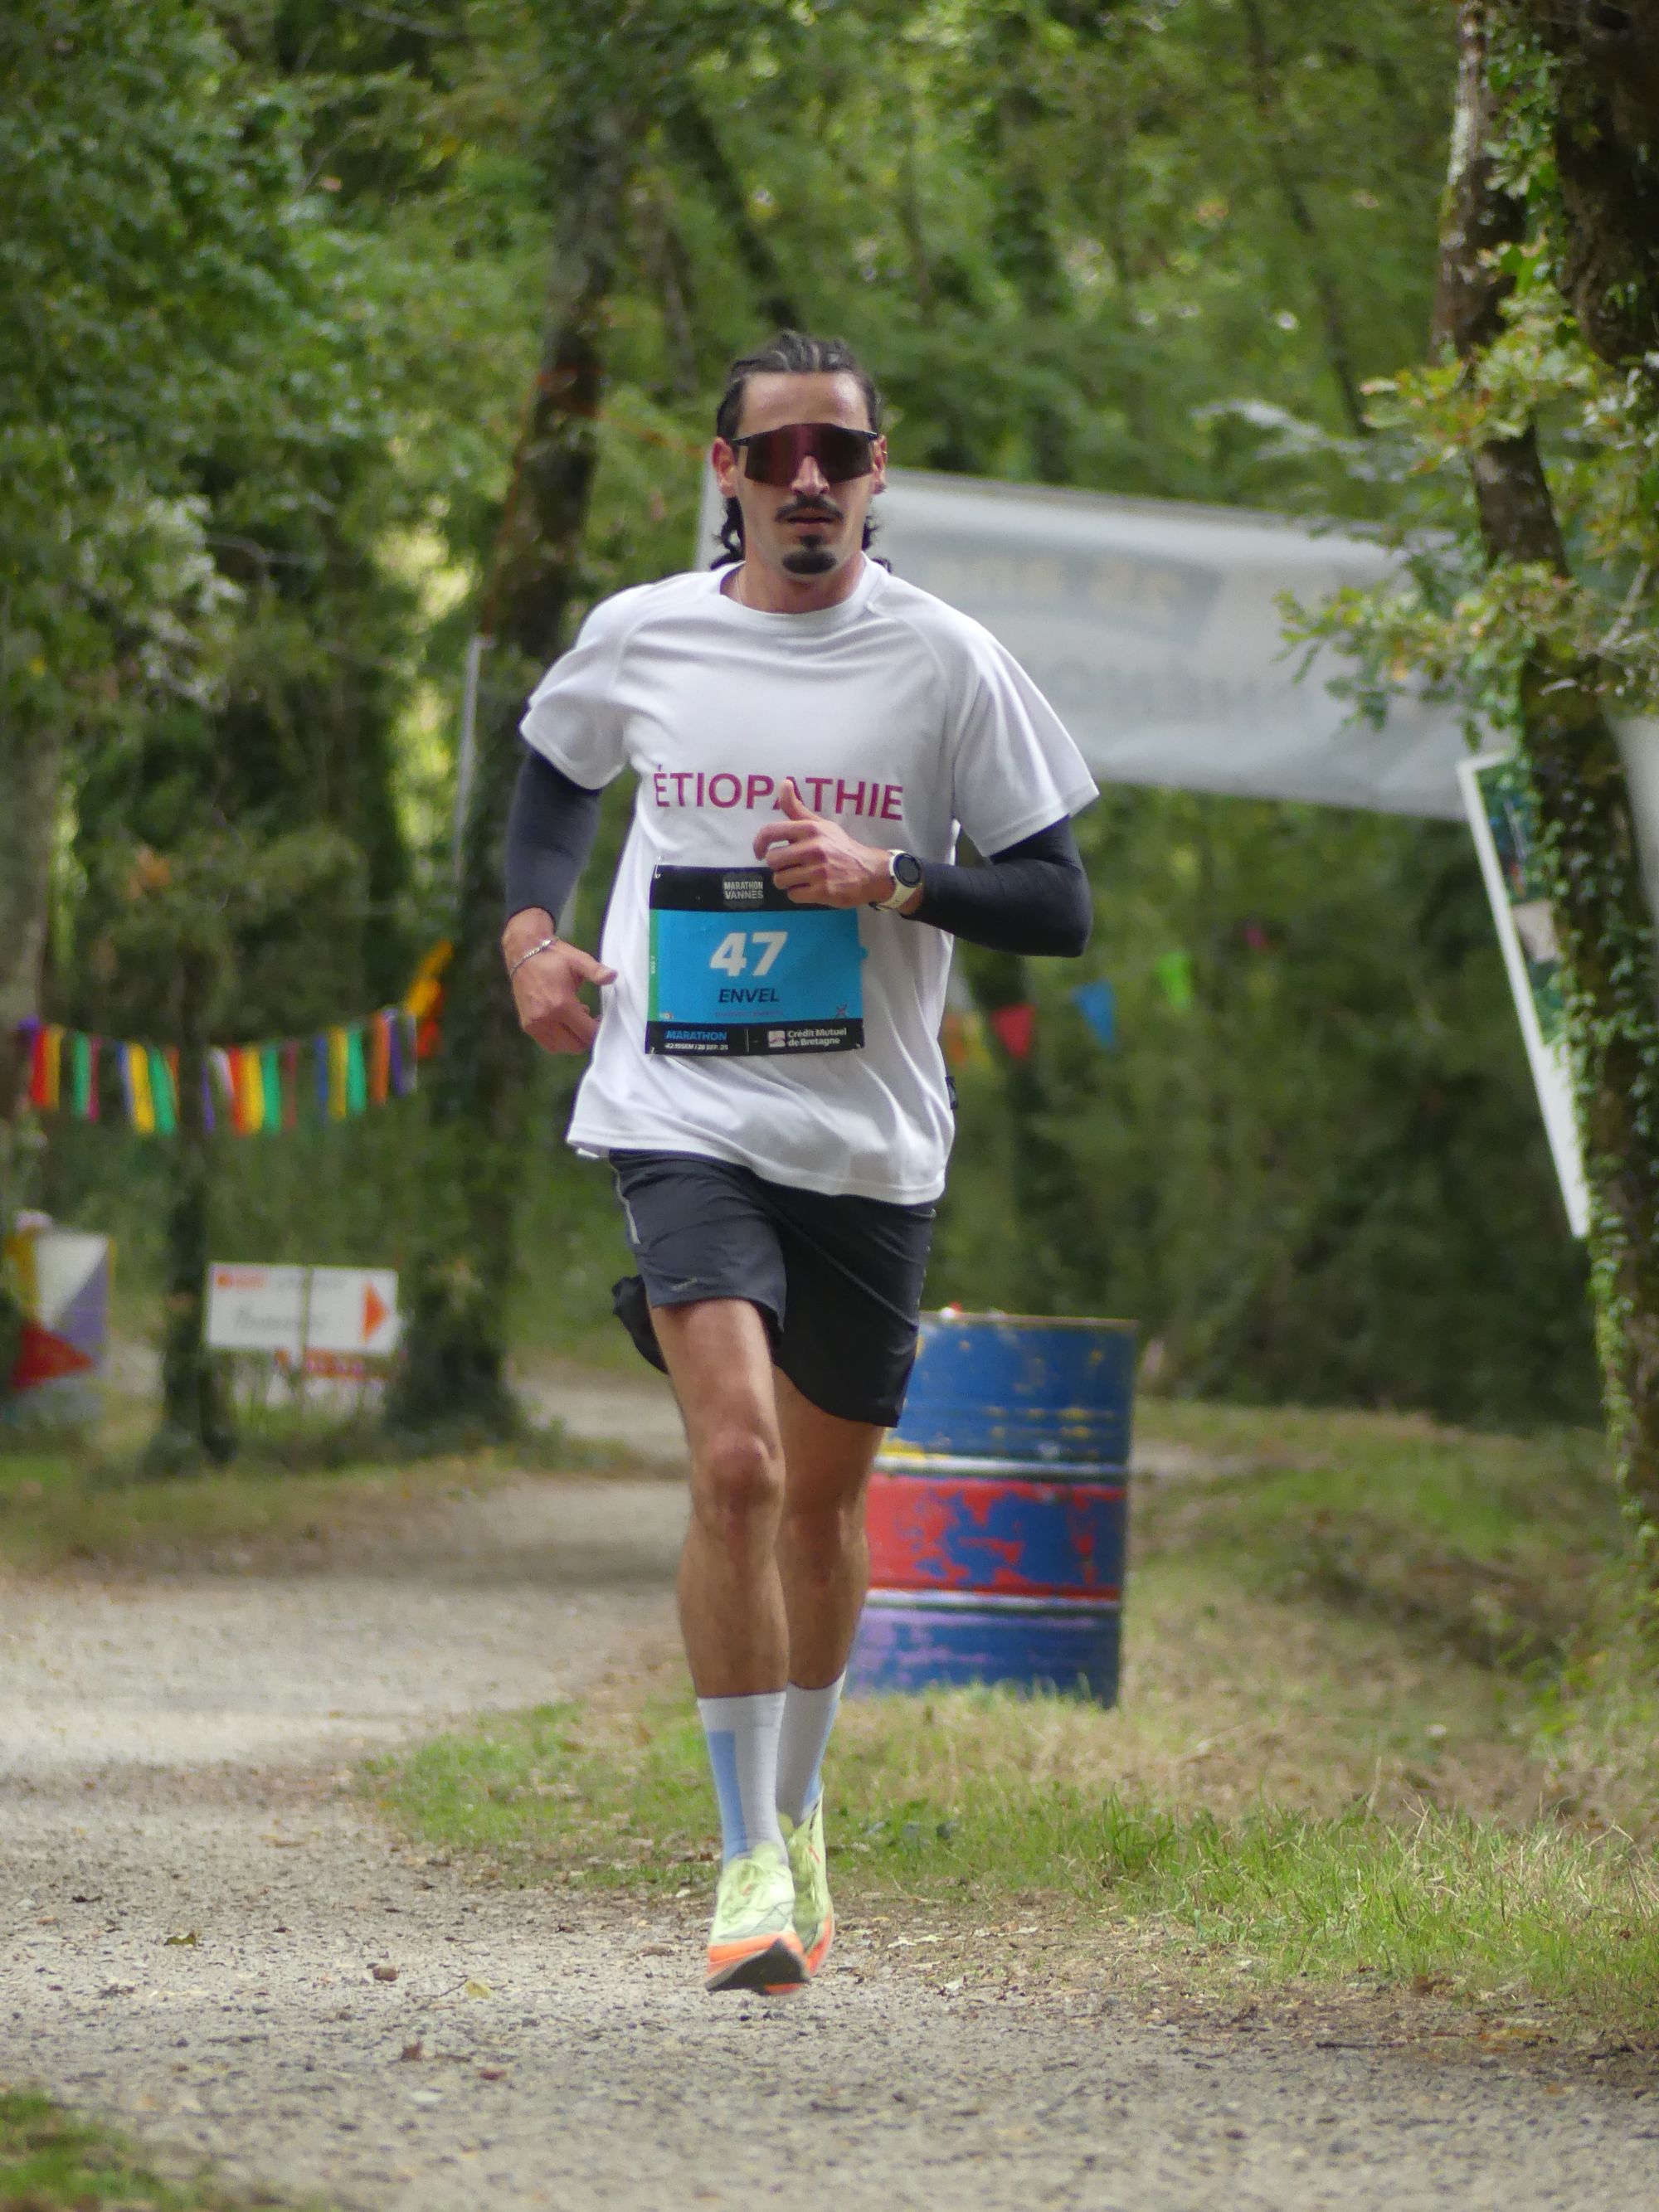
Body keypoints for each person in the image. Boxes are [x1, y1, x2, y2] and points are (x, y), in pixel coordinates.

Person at [501, 330, 1096, 1993]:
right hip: (677, 1111)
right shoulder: (645, 633)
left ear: (878, 473)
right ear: (729, 474)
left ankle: (802, 1805)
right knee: (742, 1467)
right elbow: (552, 775)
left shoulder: (948, 661)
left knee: (825, 1513)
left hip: (869, 1136)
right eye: (776, 454)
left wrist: (892, 874)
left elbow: (1059, 902)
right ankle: (743, 1856)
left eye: (839, 451)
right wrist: (532, 936)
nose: (809, 480)